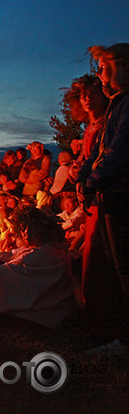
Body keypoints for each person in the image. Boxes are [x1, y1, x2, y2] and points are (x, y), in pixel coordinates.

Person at [80, 44, 129, 356]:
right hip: (112, 193)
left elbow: (118, 150)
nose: (99, 74)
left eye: (102, 67)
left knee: (124, 268)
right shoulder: (119, 103)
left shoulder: (126, 104)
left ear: (118, 67)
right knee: (117, 268)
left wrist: (91, 180)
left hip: (121, 194)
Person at [0, 206, 76, 328]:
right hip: (58, 313)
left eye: (15, 234)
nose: (14, 239)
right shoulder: (56, 250)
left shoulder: (31, 259)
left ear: (25, 232)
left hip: (39, 317)